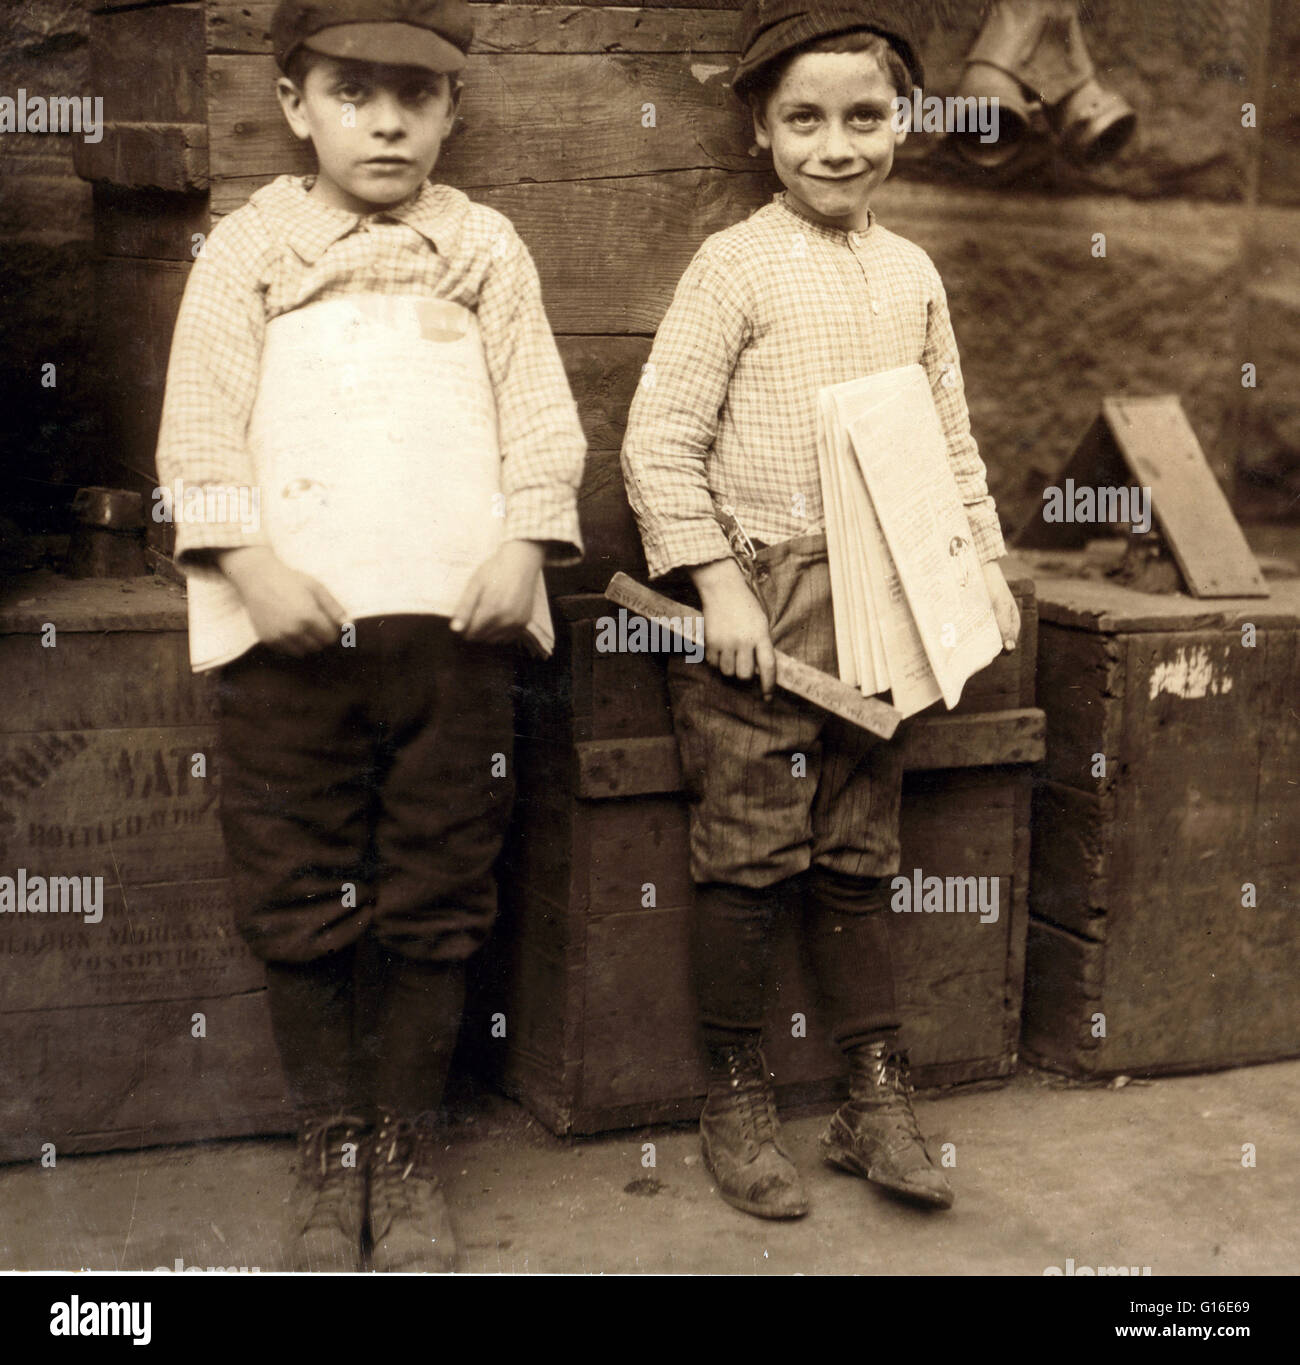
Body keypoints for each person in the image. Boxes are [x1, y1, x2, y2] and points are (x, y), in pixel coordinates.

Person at [154, 0, 585, 1270]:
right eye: (352, 92)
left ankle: (404, 1143)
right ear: (296, 104)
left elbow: (542, 421)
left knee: (437, 883)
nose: (386, 120)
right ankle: (330, 1138)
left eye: (417, 95)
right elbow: (199, 429)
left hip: (453, 634)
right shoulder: (254, 249)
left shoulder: (485, 247)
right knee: (297, 883)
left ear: (454, 109)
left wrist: (521, 545)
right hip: (295, 635)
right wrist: (247, 564)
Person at [620, 0, 1021, 1220]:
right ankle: (734, 1094)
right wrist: (721, 589)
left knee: (857, 843)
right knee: (750, 848)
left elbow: (949, 444)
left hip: (885, 596)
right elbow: (657, 445)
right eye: (805, 120)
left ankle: (869, 1093)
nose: (837, 146)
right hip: (764, 605)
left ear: (899, 122)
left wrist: (978, 572)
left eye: (864, 117)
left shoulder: (911, 275)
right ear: (760, 130)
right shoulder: (734, 266)